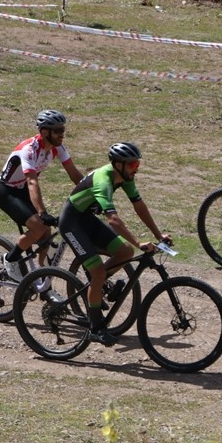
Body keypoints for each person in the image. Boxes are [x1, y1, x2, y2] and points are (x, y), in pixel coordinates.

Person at [58, 142, 172, 331]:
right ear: (119, 164)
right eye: (133, 164)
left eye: (138, 164)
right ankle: (95, 327)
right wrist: (139, 243)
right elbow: (113, 220)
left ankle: (96, 285)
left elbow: (139, 205)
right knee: (98, 272)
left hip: (87, 220)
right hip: (71, 224)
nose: (136, 168)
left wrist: (158, 234)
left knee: (125, 252)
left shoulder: (125, 177)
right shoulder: (103, 181)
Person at [0, 109, 83, 281]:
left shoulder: (57, 148)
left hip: (23, 191)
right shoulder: (29, 150)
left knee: (46, 233)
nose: (62, 134)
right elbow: (32, 182)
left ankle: (42, 276)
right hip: (7, 192)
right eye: (57, 130)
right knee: (39, 226)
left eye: (63, 129)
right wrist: (42, 213)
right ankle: (11, 259)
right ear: (44, 132)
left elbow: (74, 174)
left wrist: (92, 194)